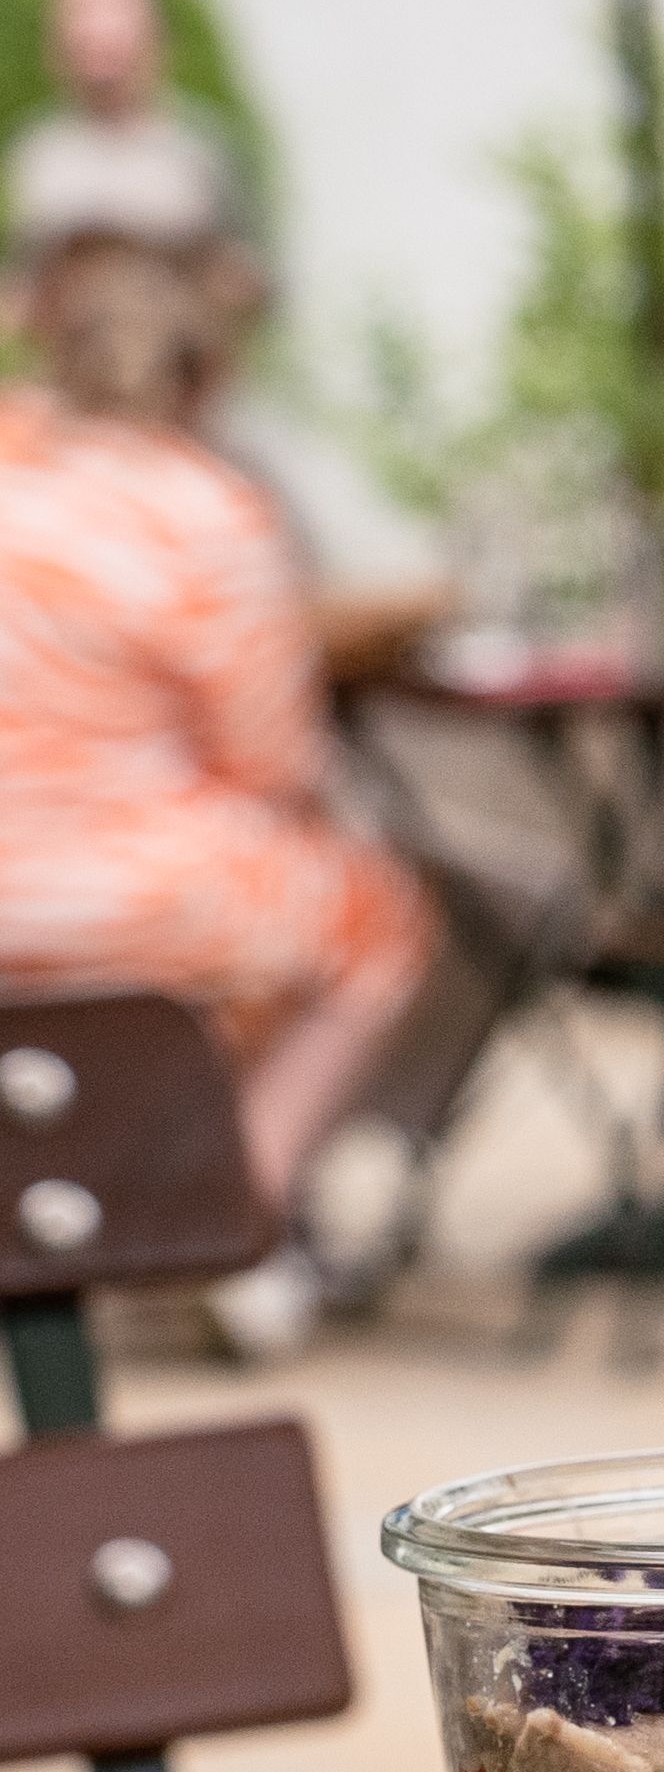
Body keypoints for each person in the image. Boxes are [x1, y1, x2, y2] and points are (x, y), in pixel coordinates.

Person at [0, 231, 432, 1346]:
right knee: (373, 918)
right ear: (209, 372)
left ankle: (106, 1201)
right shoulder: (210, 509)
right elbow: (273, 763)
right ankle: (231, 1216)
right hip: (121, 893)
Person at [8, 0, 249, 265]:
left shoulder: (198, 149)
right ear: (57, 54)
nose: (101, 72)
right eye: (86, 50)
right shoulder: (35, 152)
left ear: (155, 48)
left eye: (115, 51)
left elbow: (241, 271)